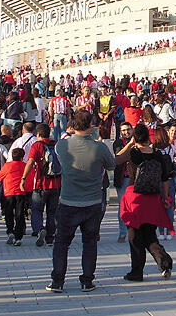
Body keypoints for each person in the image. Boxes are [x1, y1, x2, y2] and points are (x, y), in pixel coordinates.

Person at [47, 110, 115, 293]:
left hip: (68, 200)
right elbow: (111, 165)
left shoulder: (62, 145)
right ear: (91, 126)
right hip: (92, 202)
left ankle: (58, 281)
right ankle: (87, 280)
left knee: (61, 243)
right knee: (90, 242)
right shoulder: (99, 147)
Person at [116, 123, 174, 281]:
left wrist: (129, 144)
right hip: (153, 198)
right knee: (149, 234)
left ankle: (137, 271)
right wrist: (165, 197)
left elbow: (117, 159)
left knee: (134, 237)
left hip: (135, 198)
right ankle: (164, 261)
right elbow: (165, 179)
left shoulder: (134, 152)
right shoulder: (157, 154)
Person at [21, 123, 61, 247]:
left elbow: (31, 162)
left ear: (38, 134)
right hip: (56, 184)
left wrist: (23, 178)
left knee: (37, 209)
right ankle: (50, 238)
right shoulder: (56, 144)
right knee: (52, 212)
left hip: (41, 184)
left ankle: (39, 229)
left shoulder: (37, 145)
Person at [0, 147, 28, 246]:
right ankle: (18, 236)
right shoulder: (25, 166)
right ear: (22, 158)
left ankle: (10, 231)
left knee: (9, 214)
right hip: (21, 193)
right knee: (19, 214)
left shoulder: (7, 166)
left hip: (8, 193)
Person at [113, 121, 134, 242]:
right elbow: (118, 156)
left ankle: (133, 231)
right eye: (124, 130)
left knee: (134, 206)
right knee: (123, 206)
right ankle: (122, 232)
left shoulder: (138, 141)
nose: (126, 132)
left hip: (134, 178)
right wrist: (130, 145)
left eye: (128, 129)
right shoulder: (118, 142)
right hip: (122, 178)